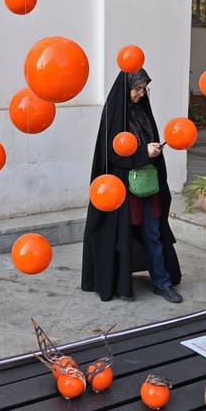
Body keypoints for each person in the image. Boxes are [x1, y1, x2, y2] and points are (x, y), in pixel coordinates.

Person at [82, 68, 183, 302]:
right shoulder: (114, 114)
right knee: (121, 236)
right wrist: (142, 152)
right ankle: (120, 283)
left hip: (147, 184)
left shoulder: (143, 112)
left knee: (153, 232)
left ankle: (162, 282)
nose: (141, 94)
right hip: (121, 189)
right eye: (136, 89)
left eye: (143, 89)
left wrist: (153, 150)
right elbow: (110, 154)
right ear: (125, 89)